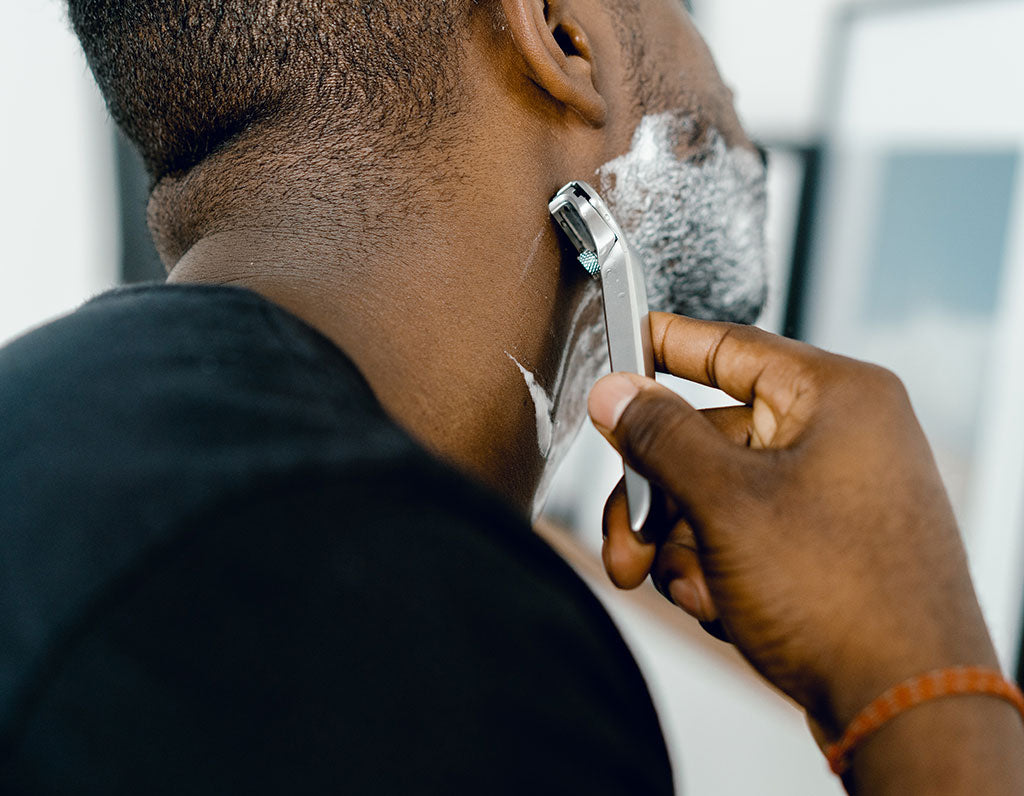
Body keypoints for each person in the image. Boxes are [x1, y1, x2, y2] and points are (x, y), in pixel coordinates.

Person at [0, 0, 1020, 792]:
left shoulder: (63, 418)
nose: (730, 93)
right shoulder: (403, 640)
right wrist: (924, 691)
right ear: (565, 37)